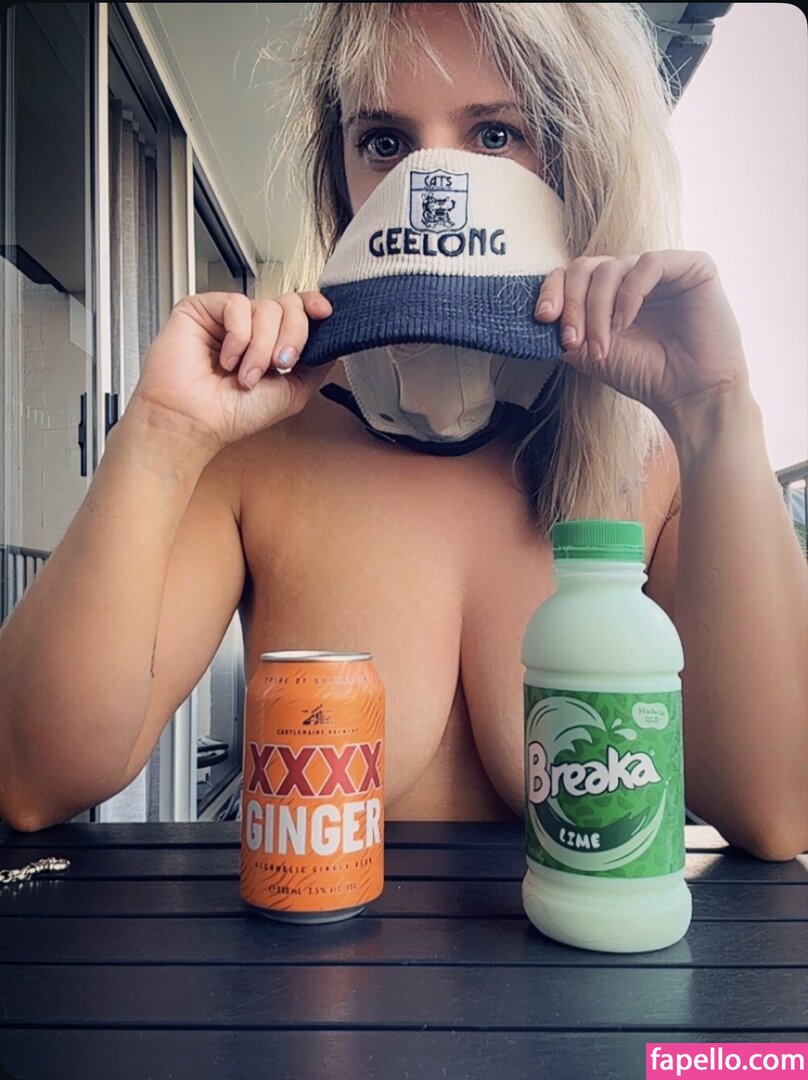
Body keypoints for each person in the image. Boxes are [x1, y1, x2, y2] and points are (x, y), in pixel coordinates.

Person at [0, 3, 805, 858]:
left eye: (496, 135)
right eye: (384, 141)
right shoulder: (264, 439)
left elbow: (780, 806)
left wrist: (717, 412)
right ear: (340, 174)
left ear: (586, 157)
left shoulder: (655, 449)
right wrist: (159, 435)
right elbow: (30, 778)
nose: (434, 183)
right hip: (313, 942)